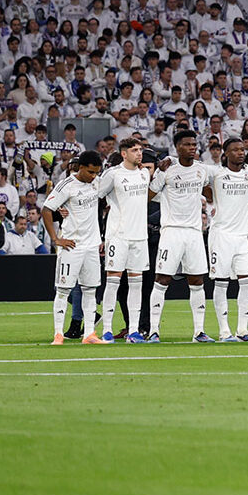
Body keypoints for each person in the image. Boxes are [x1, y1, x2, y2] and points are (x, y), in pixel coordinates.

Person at [149, 129, 215, 343]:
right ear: (177, 147)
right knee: (162, 279)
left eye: (194, 144)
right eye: (187, 144)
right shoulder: (167, 169)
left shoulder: (201, 170)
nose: (192, 148)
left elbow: (209, 192)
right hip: (171, 231)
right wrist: (158, 172)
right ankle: (153, 331)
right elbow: (148, 196)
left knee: (197, 280)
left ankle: (199, 332)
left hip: (195, 232)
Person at [40, 152, 109, 345]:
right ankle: (58, 334)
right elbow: (46, 209)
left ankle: (89, 334)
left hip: (92, 246)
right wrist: (55, 239)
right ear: (80, 167)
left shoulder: (97, 182)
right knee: (63, 290)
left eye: (96, 172)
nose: (93, 176)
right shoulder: (66, 186)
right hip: (72, 246)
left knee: (90, 290)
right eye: (90, 172)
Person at [94, 138, 154, 343]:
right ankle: (108, 330)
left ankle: (134, 330)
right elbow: (96, 196)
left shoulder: (144, 173)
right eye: (135, 150)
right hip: (118, 236)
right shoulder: (113, 174)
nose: (139, 154)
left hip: (140, 237)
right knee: (113, 283)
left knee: (136, 284)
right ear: (124, 154)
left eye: (140, 150)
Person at [203, 137, 248, 342]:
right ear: (225, 154)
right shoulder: (215, 173)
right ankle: (224, 331)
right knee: (222, 282)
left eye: (243, 149)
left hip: (242, 237)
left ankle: (243, 330)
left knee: (247, 282)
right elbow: (191, 167)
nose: (240, 152)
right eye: (235, 150)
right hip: (221, 236)